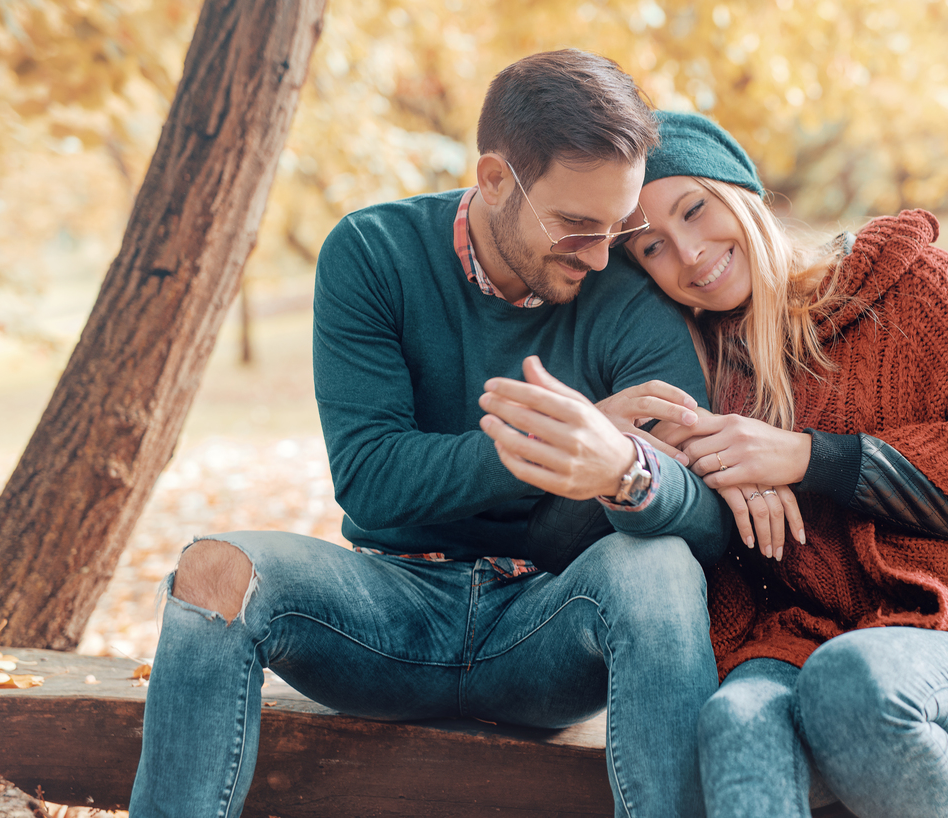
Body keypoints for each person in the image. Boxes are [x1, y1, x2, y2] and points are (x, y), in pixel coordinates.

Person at [129, 53, 730, 818]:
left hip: (548, 624)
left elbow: (704, 522)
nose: (599, 253)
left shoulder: (624, 290)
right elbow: (373, 475)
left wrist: (622, 470)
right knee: (213, 571)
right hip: (385, 610)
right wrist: (554, 448)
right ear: (492, 178)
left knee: (660, 568)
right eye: (576, 224)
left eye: (618, 227)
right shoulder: (373, 254)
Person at [481, 111, 948, 818]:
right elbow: (563, 542)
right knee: (733, 721)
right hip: (796, 650)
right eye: (652, 248)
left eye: (695, 209)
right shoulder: (702, 378)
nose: (690, 252)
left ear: (739, 190)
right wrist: (633, 459)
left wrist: (803, 456)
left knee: (854, 678)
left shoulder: (914, 284)